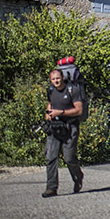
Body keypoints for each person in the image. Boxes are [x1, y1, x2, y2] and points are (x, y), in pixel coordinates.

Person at [42, 68, 84, 198]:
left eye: (58, 78)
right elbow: (50, 104)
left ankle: (78, 177)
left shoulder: (73, 90)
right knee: (51, 157)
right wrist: (48, 114)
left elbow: (79, 110)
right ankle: (51, 188)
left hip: (70, 128)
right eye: (53, 79)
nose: (56, 81)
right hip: (55, 127)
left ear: (62, 77)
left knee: (69, 158)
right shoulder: (51, 90)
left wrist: (61, 112)